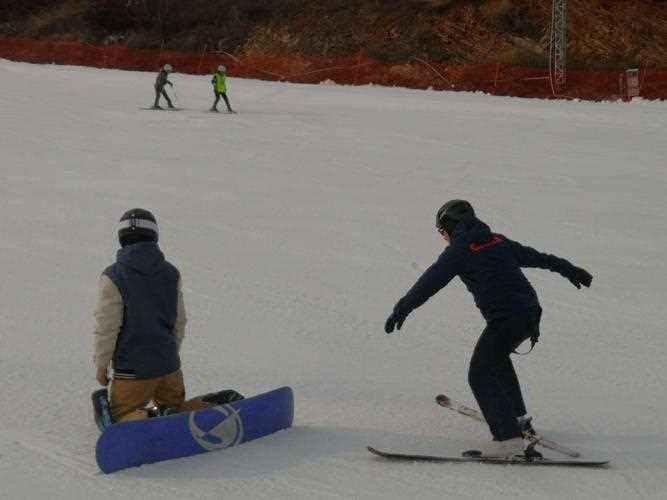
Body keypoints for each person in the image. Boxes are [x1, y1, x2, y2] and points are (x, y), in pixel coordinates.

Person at [384, 200, 592, 458]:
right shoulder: (497, 240)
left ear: (450, 225)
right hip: (530, 313)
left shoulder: (459, 250)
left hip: (507, 319)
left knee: (479, 374)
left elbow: (430, 282)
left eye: (442, 231)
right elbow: (539, 257)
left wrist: (402, 308)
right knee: (496, 360)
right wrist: (570, 270)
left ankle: (508, 441)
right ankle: (518, 421)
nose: (444, 237)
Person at [92, 208, 242, 430]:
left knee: (118, 421)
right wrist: (169, 353)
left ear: (121, 238)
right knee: (177, 412)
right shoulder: (171, 273)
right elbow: (179, 321)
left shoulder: (113, 277)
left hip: (132, 373)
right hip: (169, 367)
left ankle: (150, 418)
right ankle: (207, 407)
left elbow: (107, 326)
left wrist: (101, 364)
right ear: (154, 236)